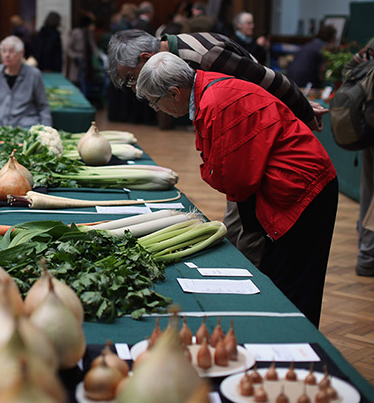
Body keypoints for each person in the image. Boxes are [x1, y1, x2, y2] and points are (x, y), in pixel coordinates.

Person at [137, 52, 338, 327]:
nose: (155, 109)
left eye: (154, 102)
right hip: (291, 186)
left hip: (305, 190)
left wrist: (210, 169)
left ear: (175, 93)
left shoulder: (216, 102)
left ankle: (295, 348)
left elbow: (235, 180)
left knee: (296, 285)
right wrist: (212, 168)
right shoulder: (207, 93)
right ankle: (278, 337)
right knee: (279, 278)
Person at [107, 29, 328, 267]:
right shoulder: (181, 72)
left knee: (249, 229)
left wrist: (305, 111)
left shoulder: (206, 59)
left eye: (130, 77)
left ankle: (247, 272)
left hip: (273, 158)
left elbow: (268, 80)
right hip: (249, 146)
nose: (132, 86)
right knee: (238, 225)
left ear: (145, 57)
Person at [0, 35, 52, 129]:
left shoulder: (34, 74)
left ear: (22, 53)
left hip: (25, 127)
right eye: (4, 51)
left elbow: (43, 105)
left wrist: (46, 129)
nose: (7, 55)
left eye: (11, 51)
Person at [344, 38, 374, 277]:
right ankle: (368, 255)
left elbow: (349, 68)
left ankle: (366, 251)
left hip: (368, 127)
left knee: (369, 190)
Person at [65, 13, 100, 88]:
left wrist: (98, 56)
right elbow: (68, 47)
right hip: (77, 57)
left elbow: (93, 45)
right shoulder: (76, 32)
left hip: (86, 58)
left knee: (85, 78)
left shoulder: (88, 33)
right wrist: (74, 56)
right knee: (76, 78)